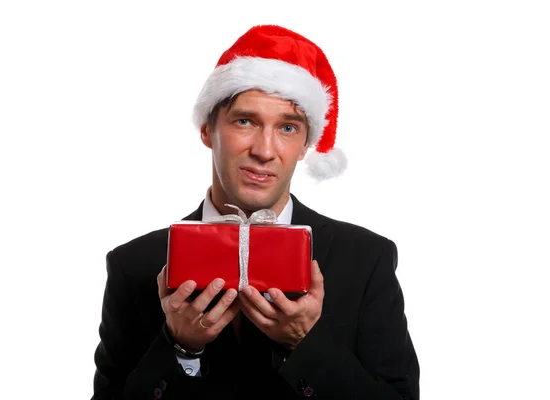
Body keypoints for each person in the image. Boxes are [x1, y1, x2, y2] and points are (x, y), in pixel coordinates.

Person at [91, 24, 419, 399]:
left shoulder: (365, 258)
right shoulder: (133, 264)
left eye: (288, 127)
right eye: (244, 121)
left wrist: (305, 344)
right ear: (206, 129)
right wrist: (179, 346)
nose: (265, 150)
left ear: (305, 145)